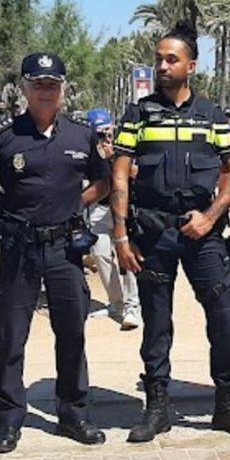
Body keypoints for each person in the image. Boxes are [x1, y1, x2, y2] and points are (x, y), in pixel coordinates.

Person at [110, 22, 230, 442]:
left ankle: (227, 405)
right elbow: (119, 174)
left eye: (171, 59)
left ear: (191, 66)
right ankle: (157, 407)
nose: (161, 65)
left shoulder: (212, 115)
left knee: (223, 316)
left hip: (203, 234)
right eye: (158, 58)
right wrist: (120, 235)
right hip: (153, 234)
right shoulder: (137, 114)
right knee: (156, 322)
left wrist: (210, 217)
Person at [0, 53, 111, 453]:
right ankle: (8, 420)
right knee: (11, 335)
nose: (46, 90)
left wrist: (72, 204)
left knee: (72, 333)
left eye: (53, 84)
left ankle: (73, 414)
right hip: (20, 250)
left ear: (62, 89)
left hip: (65, 249)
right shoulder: (5, 136)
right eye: (38, 84)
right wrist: (6, 206)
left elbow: (101, 183)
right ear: (25, 89)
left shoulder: (81, 136)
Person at [86, 107, 142, 331]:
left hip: (123, 208)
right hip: (98, 209)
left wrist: (114, 158)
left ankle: (132, 307)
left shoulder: (125, 144)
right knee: (100, 255)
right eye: (99, 133)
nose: (105, 137)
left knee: (126, 257)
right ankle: (115, 303)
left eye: (107, 131)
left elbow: (136, 173)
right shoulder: (88, 149)